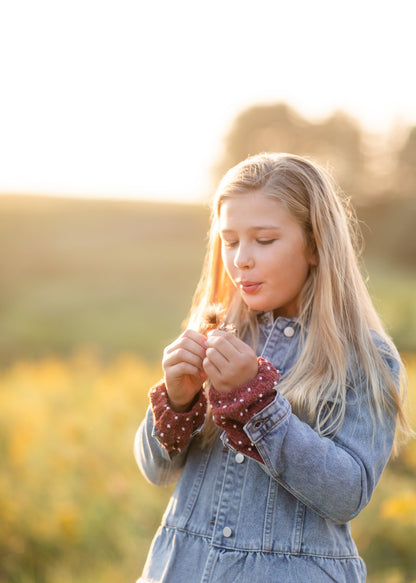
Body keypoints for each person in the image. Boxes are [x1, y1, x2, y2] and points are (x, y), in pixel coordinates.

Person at [134, 153, 411, 583]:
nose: (242, 258)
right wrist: (177, 399)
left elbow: (347, 495)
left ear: (316, 245)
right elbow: (158, 471)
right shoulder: (216, 332)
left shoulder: (365, 356)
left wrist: (258, 406)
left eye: (264, 240)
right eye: (230, 240)